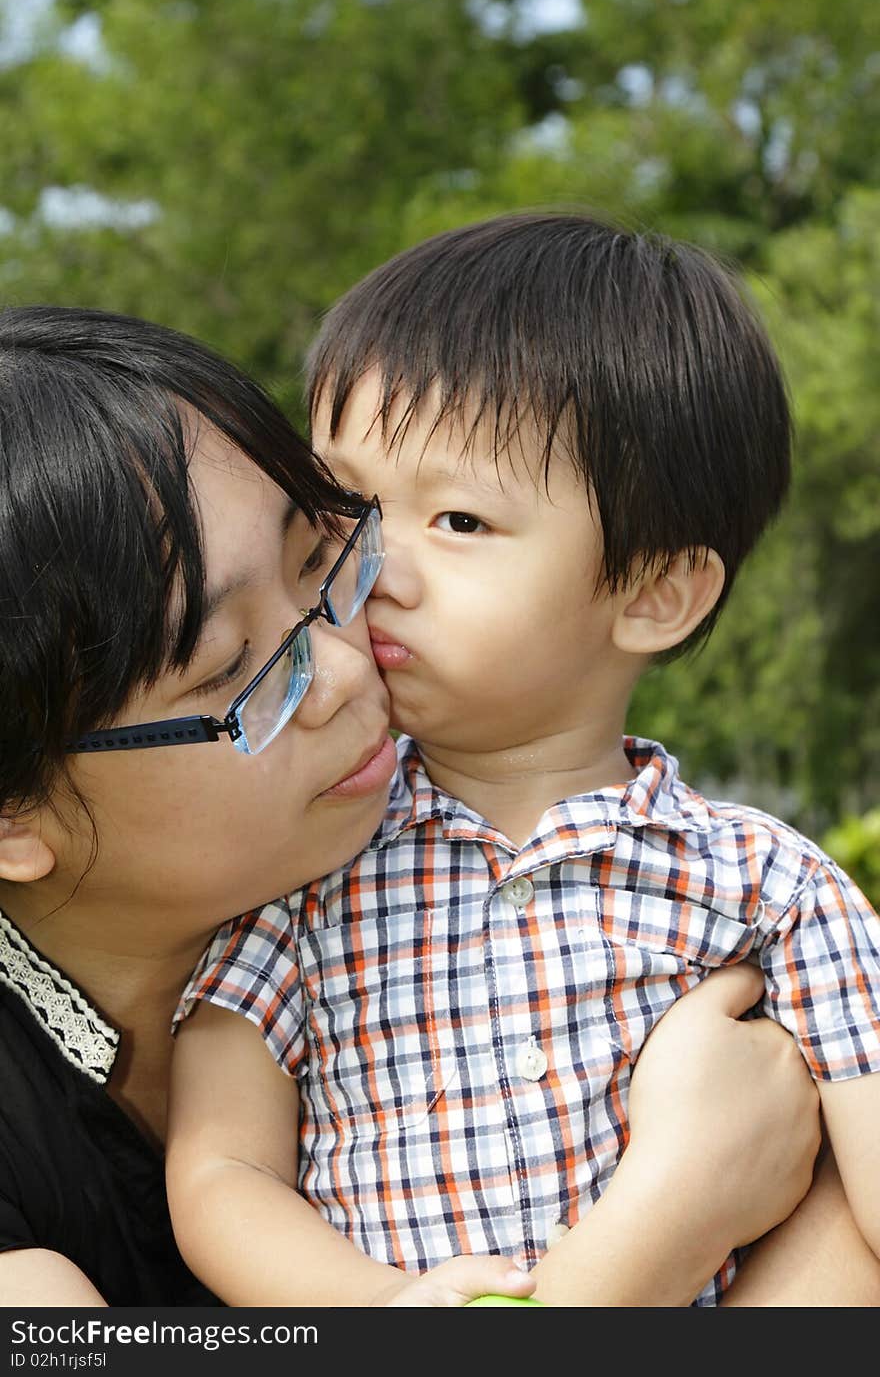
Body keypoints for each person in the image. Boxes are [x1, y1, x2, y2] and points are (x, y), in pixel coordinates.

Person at [0, 301, 827, 1309]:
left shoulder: (644, 898)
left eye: (323, 563)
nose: (349, 668)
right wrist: (665, 1221)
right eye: (231, 671)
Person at [167, 214, 880, 1307]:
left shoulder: (767, 889)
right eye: (347, 504)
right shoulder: (305, 864)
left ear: (653, 592)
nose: (376, 564)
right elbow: (221, 1169)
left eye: (458, 519)